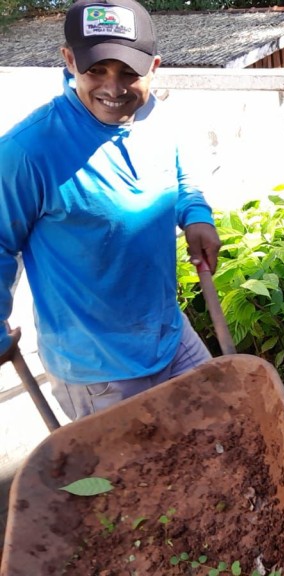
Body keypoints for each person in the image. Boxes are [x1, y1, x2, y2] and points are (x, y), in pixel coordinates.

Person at [0, 0, 221, 421]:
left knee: (224, 438)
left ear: (154, 67)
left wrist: (195, 213)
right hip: (99, 371)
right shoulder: (27, 151)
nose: (114, 88)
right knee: (143, 468)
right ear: (69, 61)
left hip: (170, 336)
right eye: (96, 70)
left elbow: (180, 173)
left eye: (129, 72)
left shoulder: (152, 117)